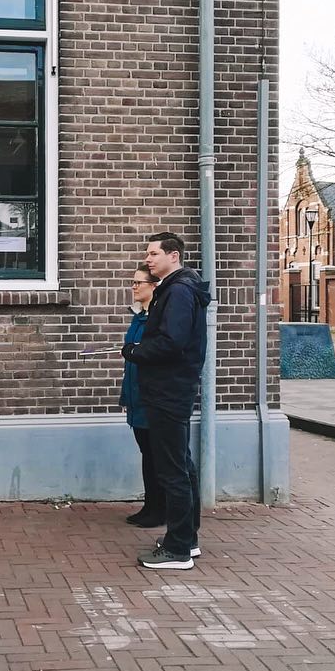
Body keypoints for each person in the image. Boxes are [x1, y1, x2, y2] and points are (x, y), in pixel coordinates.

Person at [121, 231, 211, 570]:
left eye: (154, 253)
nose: (148, 259)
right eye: (148, 253)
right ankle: (187, 538)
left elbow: (171, 342)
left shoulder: (178, 292)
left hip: (168, 391)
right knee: (181, 467)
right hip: (173, 390)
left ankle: (177, 550)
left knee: (173, 470)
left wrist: (135, 351)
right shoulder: (178, 290)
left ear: (173, 256)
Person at [119, 264, 165, 527]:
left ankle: (161, 509)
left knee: (156, 454)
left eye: (139, 282)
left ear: (154, 286)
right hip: (136, 396)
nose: (134, 287)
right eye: (133, 282)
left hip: (150, 397)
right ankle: (150, 505)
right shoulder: (138, 317)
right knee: (146, 454)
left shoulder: (156, 320)